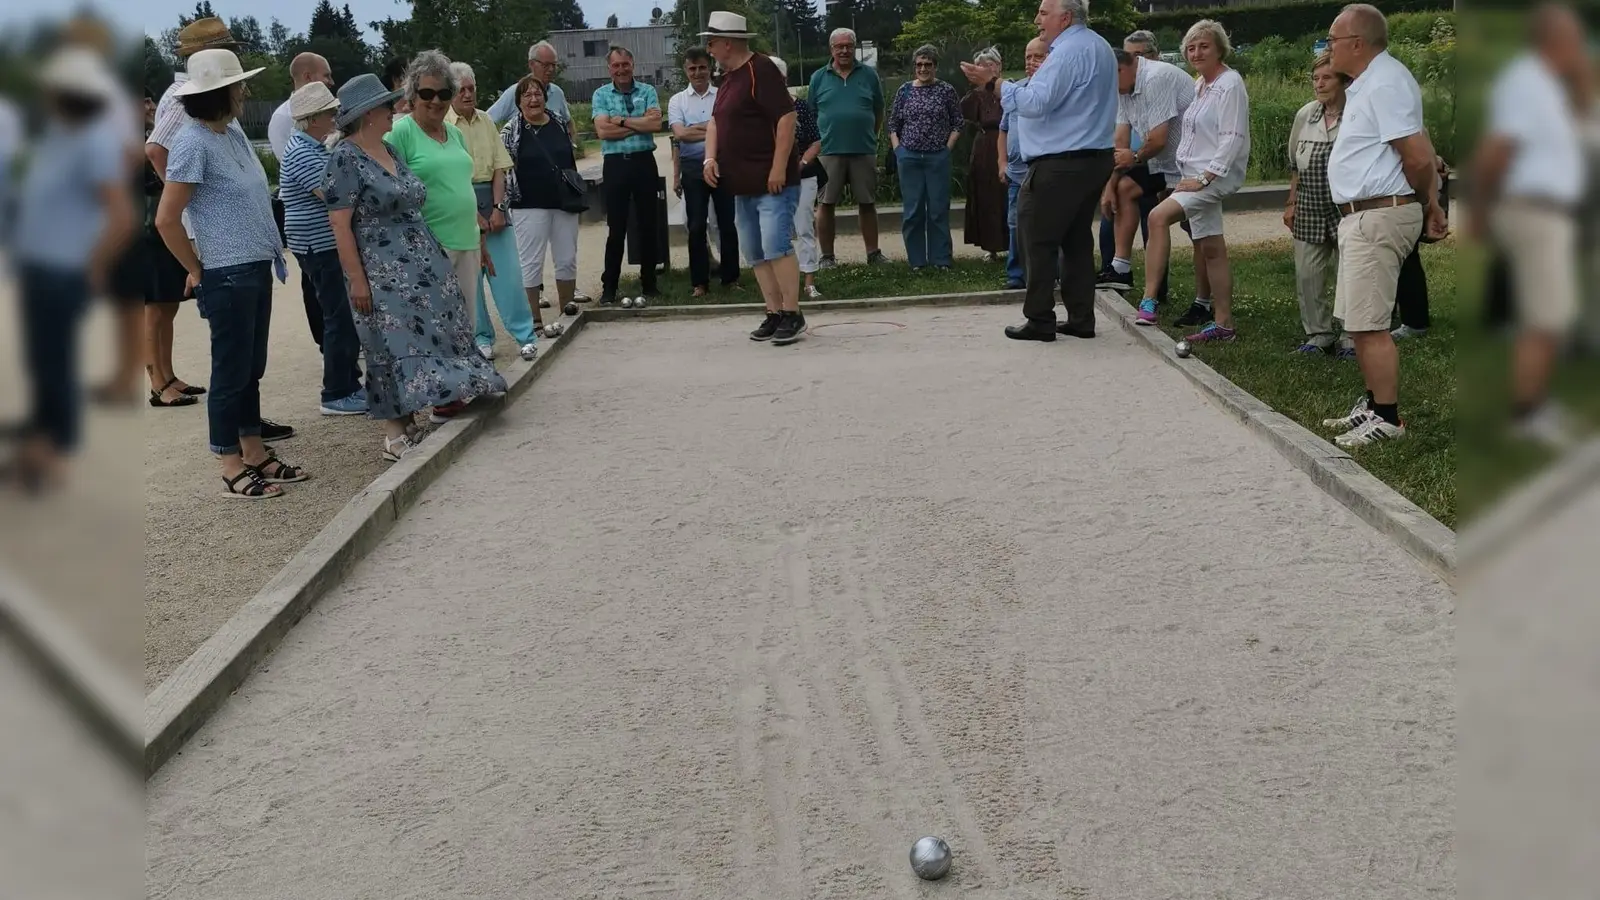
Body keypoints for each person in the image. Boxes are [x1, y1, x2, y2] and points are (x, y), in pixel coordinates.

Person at [324, 73, 507, 463]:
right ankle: (393, 434)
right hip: (380, 267)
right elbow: (339, 223)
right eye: (387, 105)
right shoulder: (345, 156)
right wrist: (357, 278)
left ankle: (411, 422)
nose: (395, 110)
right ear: (369, 113)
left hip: (421, 260)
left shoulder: (391, 151)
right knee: (390, 343)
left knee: (427, 335)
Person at [154, 49, 309, 499]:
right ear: (223, 92)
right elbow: (167, 219)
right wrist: (195, 268)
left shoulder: (232, 134)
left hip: (254, 265)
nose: (245, 91)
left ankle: (254, 450)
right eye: (239, 84)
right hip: (226, 273)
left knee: (249, 368)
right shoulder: (192, 141)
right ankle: (229, 461)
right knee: (230, 371)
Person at [4, 48, 135, 492]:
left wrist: (93, 266)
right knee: (41, 360)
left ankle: (56, 453)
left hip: (64, 270)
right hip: (39, 266)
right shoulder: (58, 136)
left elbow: (120, 215)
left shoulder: (94, 141)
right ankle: (41, 443)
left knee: (55, 362)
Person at [1320, 4, 1447, 448]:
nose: (1326, 47)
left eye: (1332, 39)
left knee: (1370, 323)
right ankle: (1373, 406)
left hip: (1378, 213)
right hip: (1366, 214)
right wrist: (1428, 203)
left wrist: (1426, 200)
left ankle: (1388, 418)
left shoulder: (1385, 82)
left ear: (1357, 42)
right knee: (1360, 320)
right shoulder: (1371, 83)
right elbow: (1422, 139)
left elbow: (1416, 153)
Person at [959, 0, 1117, 342]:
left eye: (1043, 13)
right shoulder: (1099, 45)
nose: (1037, 20)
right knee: (1075, 240)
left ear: (1066, 17)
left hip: (1062, 163)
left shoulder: (1067, 52)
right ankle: (1080, 318)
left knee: (1036, 238)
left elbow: (1035, 103)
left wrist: (994, 83)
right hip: (1093, 157)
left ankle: (1040, 319)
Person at [1470, 2, 1591, 448]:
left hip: (1550, 211)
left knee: (1547, 316)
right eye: (1574, 39)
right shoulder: (1526, 82)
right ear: (1554, 40)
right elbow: (1496, 150)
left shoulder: (1550, 84)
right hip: (1533, 210)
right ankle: (1528, 412)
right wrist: (1481, 208)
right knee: (1545, 317)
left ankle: (1533, 404)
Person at [386, 50, 496, 422]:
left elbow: (461, 185)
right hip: (428, 243)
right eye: (428, 94)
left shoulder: (453, 133)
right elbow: (387, 187)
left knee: (465, 318)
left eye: (443, 94)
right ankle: (442, 397)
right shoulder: (401, 132)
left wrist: (481, 241)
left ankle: (461, 385)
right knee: (436, 320)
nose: (436, 101)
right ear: (412, 94)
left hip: (465, 237)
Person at [1135, 21, 1250, 339]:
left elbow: (1232, 137)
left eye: (1204, 46)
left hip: (1211, 176)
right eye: (1191, 47)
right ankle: (1224, 323)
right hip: (1193, 175)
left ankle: (1149, 301)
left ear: (1219, 49)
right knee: (1211, 247)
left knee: (1157, 217)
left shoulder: (1229, 84)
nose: (1196, 52)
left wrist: (1204, 177)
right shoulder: (1201, 84)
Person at [700, 11, 806, 345]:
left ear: (727, 43)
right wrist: (710, 157)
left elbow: (786, 119)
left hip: (771, 179)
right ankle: (773, 312)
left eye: (712, 42)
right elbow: (716, 122)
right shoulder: (728, 78)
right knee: (755, 249)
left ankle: (793, 313)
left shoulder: (761, 69)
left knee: (775, 244)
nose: (710, 49)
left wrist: (778, 166)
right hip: (740, 181)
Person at [279, 81, 366, 415]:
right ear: (313, 118)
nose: (337, 117)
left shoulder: (317, 146)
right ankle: (336, 391)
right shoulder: (303, 152)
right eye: (331, 112)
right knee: (339, 316)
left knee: (345, 314)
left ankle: (349, 382)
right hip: (319, 245)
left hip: (326, 243)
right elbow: (335, 195)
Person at [448, 61, 540, 362]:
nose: (467, 94)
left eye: (471, 88)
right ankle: (481, 337)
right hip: (461, 202)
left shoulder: (486, 120)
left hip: (493, 196)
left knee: (508, 274)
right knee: (471, 278)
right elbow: (451, 177)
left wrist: (500, 208)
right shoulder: (445, 126)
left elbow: (501, 167)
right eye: (461, 90)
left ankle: (525, 334)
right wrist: (473, 215)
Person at [1101, 42, 1193, 304]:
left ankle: (1204, 298)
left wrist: (1136, 156)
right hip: (1161, 163)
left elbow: (1158, 139)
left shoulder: (1156, 78)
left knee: (1195, 230)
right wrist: (1110, 184)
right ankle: (1120, 269)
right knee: (1123, 188)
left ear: (1120, 69)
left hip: (1189, 163)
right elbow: (1121, 140)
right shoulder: (1123, 86)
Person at [1285, 52, 1355, 358]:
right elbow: (1294, 165)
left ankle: (1352, 336)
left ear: (1343, 81)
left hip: (1348, 206)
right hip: (1310, 204)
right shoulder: (1305, 115)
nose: (1319, 84)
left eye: (1326, 78)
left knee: (1351, 271)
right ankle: (1318, 334)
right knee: (1308, 273)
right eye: (1315, 78)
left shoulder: (1357, 115)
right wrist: (1291, 202)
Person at [266, 53, 336, 352]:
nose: (331, 82)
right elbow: (298, 168)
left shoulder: (311, 132)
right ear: (308, 77)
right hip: (311, 229)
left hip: (320, 227)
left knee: (328, 294)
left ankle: (334, 347)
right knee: (321, 292)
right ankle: (327, 345)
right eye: (326, 75)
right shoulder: (286, 120)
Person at [502, 76, 583, 329]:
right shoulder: (511, 130)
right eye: (527, 95)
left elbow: (570, 158)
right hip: (528, 204)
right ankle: (534, 320)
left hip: (563, 202)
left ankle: (567, 312)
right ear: (519, 102)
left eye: (537, 94)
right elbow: (505, 170)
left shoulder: (559, 123)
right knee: (531, 262)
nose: (533, 99)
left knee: (567, 258)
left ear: (545, 98)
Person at [591, 46, 664, 304]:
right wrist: (638, 124)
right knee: (616, 229)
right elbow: (602, 132)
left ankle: (650, 284)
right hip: (616, 165)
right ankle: (610, 286)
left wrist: (620, 121)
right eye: (616, 65)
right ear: (609, 68)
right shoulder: (600, 94)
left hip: (644, 162)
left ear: (633, 64)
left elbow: (656, 125)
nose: (621, 69)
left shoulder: (648, 91)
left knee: (648, 225)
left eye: (625, 64)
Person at [809, 27, 886, 267]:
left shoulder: (869, 75)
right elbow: (811, 114)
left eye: (848, 46)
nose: (844, 50)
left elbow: (879, 110)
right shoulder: (818, 77)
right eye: (839, 46)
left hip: (863, 148)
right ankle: (827, 257)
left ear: (854, 48)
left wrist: (870, 136)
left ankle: (873, 254)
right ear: (831, 49)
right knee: (826, 204)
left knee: (867, 202)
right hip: (828, 150)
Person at [671, 46, 740, 297]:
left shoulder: (723, 94)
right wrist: (712, 127)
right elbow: (680, 134)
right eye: (692, 68)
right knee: (697, 225)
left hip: (723, 165)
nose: (698, 72)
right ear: (685, 71)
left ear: (709, 68)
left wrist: (699, 129)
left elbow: (730, 130)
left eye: (702, 67)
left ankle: (731, 278)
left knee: (727, 224)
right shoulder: (677, 100)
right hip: (692, 169)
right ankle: (699, 283)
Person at [889, 46, 964, 272]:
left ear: (935, 67)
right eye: (919, 64)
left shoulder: (945, 90)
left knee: (938, 209)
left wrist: (946, 149)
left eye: (928, 64)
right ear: (914, 67)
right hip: (909, 157)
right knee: (913, 211)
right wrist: (898, 151)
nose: (923, 68)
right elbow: (893, 124)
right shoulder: (904, 91)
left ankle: (941, 259)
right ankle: (917, 261)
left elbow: (958, 122)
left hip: (936, 157)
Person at [771, 55, 826, 299]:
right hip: (771, 178)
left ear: (783, 79)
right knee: (775, 231)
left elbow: (816, 141)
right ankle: (781, 285)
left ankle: (809, 282)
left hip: (803, 174)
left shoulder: (800, 106)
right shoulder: (759, 110)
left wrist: (801, 162)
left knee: (804, 227)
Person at [999, 38, 1048, 290]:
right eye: (1028, 57)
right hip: (1016, 173)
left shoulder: (1051, 92)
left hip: (1044, 171)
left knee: (1046, 223)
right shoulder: (1015, 89)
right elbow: (1004, 130)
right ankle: (1016, 273)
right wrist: (1002, 161)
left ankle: (1047, 273)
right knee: (1015, 222)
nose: (1031, 62)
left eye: (1037, 56)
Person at [960, 47, 1010, 260]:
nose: (987, 68)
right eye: (982, 65)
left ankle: (1012, 244)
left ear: (998, 66)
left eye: (991, 64)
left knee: (1006, 196)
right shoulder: (975, 96)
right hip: (984, 147)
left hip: (1006, 143)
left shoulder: (1009, 89)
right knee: (986, 196)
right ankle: (991, 247)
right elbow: (964, 114)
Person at [487, 40, 577, 147]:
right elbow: (487, 121)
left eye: (554, 65)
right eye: (546, 65)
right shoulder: (515, 92)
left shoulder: (557, 92)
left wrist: (571, 145)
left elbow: (568, 121)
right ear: (531, 64)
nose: (551, 69)